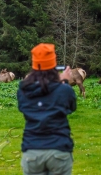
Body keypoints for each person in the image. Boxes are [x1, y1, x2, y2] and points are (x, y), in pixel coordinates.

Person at [17, 43, 77, 175]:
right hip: (59, 149)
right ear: (53, 65)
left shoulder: (23, 89)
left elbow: (23, 107)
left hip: (32, 150)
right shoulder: (64, 89)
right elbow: (72, 107)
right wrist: (64, 83)